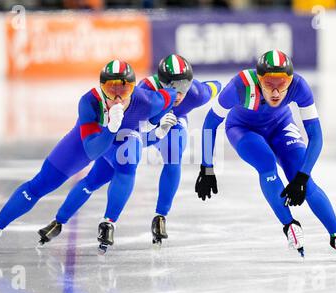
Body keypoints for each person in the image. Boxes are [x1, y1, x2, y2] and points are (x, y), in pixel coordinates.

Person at [0, 60, 176, 252]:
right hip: (89, 142)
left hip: (124, 140)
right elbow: (93, 151)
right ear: (101, 87)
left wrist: (157, 126)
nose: (118, 97)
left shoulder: (148, 101)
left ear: (134, 89)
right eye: (111, 90)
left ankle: (109, 222)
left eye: (125, 89)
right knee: (39, 186)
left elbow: (174, 93)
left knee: (128, 165)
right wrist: (111, 128)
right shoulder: (89, 102)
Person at [38, 54, 222, 250]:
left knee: (174, 153)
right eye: (172, 87)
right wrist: (156, 132)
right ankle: (59, 221)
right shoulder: (144, 93)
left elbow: (217, 86)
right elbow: (134, 137)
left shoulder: (196, 93)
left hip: (174, 123)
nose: (178, 94)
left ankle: (160, 216)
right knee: (97, 177)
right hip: (135, 130)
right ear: (160, 84)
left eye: (183, 86)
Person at [195, 49, 336, 260]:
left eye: (282, 85)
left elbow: (316, 137)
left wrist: (302, 177)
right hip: (243, 129)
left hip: (281, 125)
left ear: (290, 81)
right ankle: (289, 224)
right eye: (269, 85)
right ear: (259, 80)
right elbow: (210, 124)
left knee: (302, 175)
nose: (276, 93)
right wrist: (206, 166)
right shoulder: (240, 85)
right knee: (266, 164)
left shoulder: (299, 86)